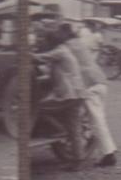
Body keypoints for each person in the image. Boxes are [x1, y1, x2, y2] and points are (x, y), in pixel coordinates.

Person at [61, 23, 117, 167]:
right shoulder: (78, 42)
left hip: (90, 85)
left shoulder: (66, 46)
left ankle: (109, 155)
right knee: (97, 120)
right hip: (100, 80)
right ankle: (108, 150)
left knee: (96, 121)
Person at [33, 21, 87, 167]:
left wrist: (27, 54)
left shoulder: (59, 51)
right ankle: (78, 160)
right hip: (77, 93)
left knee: (37, 107)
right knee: (74, 127)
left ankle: (58, 130)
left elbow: (39, 58)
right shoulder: (64, 50)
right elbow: (55, 72)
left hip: (69, 94)